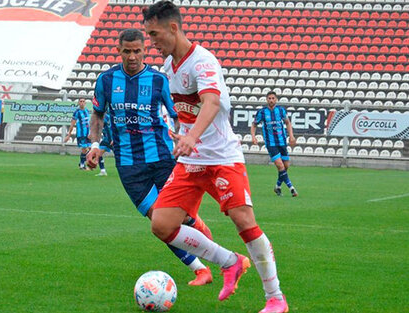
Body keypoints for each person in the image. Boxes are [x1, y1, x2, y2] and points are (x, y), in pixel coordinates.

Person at [143, 2, 289, 312]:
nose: (151, 41)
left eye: (154, 34)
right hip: (192, 160)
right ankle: (230, 262)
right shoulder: (170, 67)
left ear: (173, 28)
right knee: (161, 224)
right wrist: (181, 133)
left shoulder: (203, 61)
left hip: (222, 156)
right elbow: (187, 110)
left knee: (243, 219)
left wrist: (191, 136)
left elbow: (210, 102)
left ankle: (275, 298)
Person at [86, 28, 213, 286]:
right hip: (128, 165)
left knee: (175, 218)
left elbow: (178, 115)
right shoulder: (107, 80)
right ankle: (201, 269)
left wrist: (184, 138)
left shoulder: (159, 80)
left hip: (162, 159)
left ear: (145, 50)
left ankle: (191, 220)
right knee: (158, 222)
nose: (132, 56)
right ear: (119, 50)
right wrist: (96, 144)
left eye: (137, 51)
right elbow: (98, 114)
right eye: (127, 51)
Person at [251, 91, 298, 197]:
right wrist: (253, 137)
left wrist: (291, 136)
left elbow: (288, 123)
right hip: (271, 143)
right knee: (280, 165)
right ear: (267, 100)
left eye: (273, 98)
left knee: (286, 166)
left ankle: (277, 186)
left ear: (276, 99)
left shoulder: (281, 110)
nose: (271, 100)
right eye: (269, 98)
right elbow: (254, 125)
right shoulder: (262, 112)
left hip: (282, 142)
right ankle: (292, 188)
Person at [64, 98, 91, 170]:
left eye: (83, 101)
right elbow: (72, 124)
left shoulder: (87, 111)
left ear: (85, 103)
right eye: (80, 101)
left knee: (90, 149)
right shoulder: (77, 112)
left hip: (88, 134)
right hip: (81, 134)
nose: (82, 103)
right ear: (78, 103)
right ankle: (82, 165)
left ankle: (83, 162)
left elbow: (89, 122)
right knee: (84, 149)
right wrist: (69, 135)